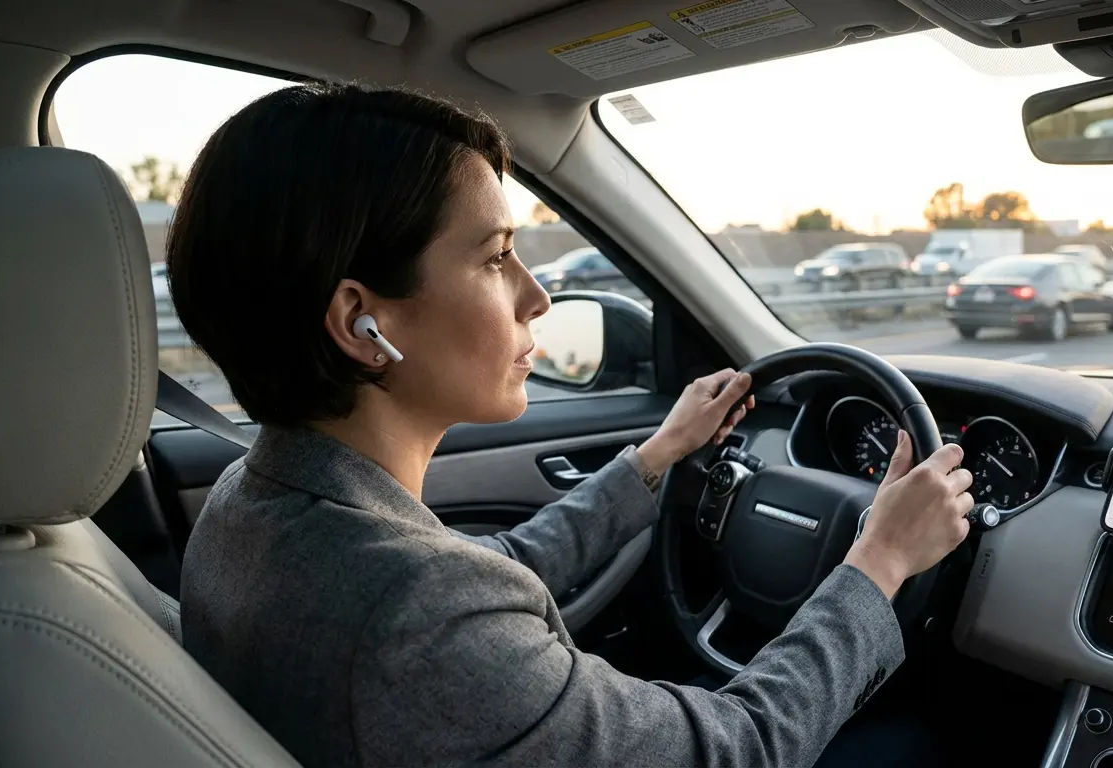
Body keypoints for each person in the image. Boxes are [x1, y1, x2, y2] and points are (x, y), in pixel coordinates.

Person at [169, 83, 975, 768]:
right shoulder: (418, 616)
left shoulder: (255, 501)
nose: (538, 296)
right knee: (920, 742)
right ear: (361, 323)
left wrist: (656, 457)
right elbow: (740, 748)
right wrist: (879, 560)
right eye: (496, 257)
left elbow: (490, 570)